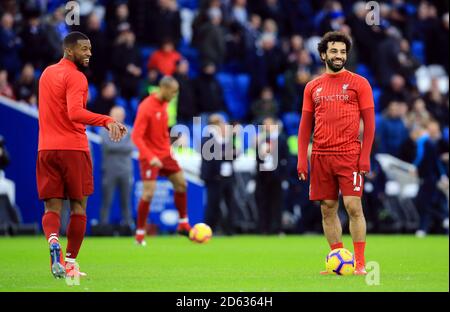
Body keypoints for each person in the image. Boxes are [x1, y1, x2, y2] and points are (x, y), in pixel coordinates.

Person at [37, 31, 127, 279]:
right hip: (73, 149)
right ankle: (70, 262)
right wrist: (107, 120)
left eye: (90, 48)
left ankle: (53, 241)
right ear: (69, 50)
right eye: (84, 49)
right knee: (78, 207)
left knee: (51, 208)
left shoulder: (46, 73)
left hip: (46, 149)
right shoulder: (76, 77)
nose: (89, 53)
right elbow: (75, 113)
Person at [297, 31, 375, 275]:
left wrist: (365, 156)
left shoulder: (360, 83)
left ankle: (360, 264)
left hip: (349, 154)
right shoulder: (312, 86)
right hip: (320, 156)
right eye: (334, 51)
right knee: (327, 209)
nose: (339, 55)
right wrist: (302, 159)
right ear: (323, 54)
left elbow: (370, 124)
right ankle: (337, 261)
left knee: (353, 207)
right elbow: (304, 126)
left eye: (342, 51)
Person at [132, 76, 190, 246]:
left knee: (181, 184)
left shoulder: (165, 104)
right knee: (148, 194)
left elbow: (160, 132)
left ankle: (183, 224)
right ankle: (140, 234)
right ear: (163, 89)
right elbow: (136, 136)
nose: (174, 95)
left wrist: (169, 146)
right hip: (150, 157)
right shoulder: (146, 107)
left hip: (165, 154)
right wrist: (151, 157)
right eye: (173, 92)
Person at [201, 114, 237, 235]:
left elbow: (232, 154)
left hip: (228, 176)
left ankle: (229, 229)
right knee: (213, 204)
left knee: (230, 203)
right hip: (214, 177)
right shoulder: (208, 138)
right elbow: (209, 157)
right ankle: (210, 228)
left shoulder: (226, 139)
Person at [99, 106, 134, 227]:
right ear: (110, 115)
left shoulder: (129, 130)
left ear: (124, 116)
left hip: (126, 170)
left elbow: (131, 147)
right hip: (110, 170)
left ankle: (128, 225)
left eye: (120, 114)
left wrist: (116, 144)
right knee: (107, 200)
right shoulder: (104, 130)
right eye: (116, 114)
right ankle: (103, 226)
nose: (118, 117)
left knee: (126, 201)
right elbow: (108, 146)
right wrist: (122, 146)